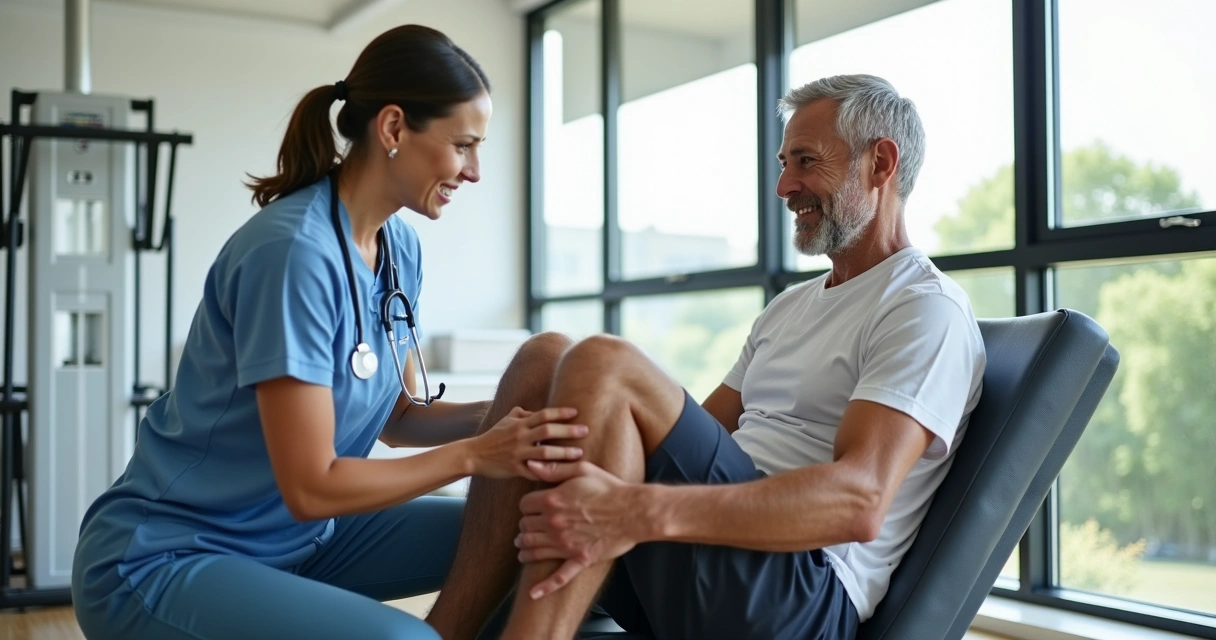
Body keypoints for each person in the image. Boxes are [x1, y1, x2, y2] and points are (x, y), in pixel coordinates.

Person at [424, 74, 987, 640]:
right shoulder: (790, 307)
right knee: (542, 359)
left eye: (807, 161)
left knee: (604, 363)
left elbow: (858, 502)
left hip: (796, 591)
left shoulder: (923, 308)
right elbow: (683, 432)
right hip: (705, 553)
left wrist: (632, 511)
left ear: (881, 164)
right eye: (784, 162)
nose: (784, 185)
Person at [70, 25, 587, 640]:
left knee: (533, 529)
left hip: (302, 540)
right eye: (464, 146)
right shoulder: (293, 254)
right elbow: (313, 484)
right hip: (169, 555)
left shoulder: (399, 248)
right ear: (393, 129)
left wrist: (519, 424)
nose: (474, 171)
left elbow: (398, 419)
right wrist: (478, 454)